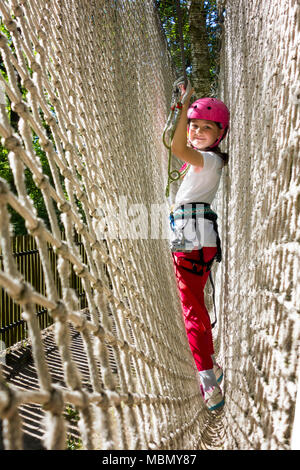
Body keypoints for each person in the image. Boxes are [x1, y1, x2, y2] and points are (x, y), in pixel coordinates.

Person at [169, 84, 230, 411]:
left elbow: (177, 147)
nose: (198, 131)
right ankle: (213, 368)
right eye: (195, 125)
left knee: (191, 309)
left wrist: (183, 108)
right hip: (201, 234)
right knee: (197, 306)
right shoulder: (212, 161)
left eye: (208, 127)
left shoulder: (205, 158)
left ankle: (209, 382)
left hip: (190, 234)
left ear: (220, 133)